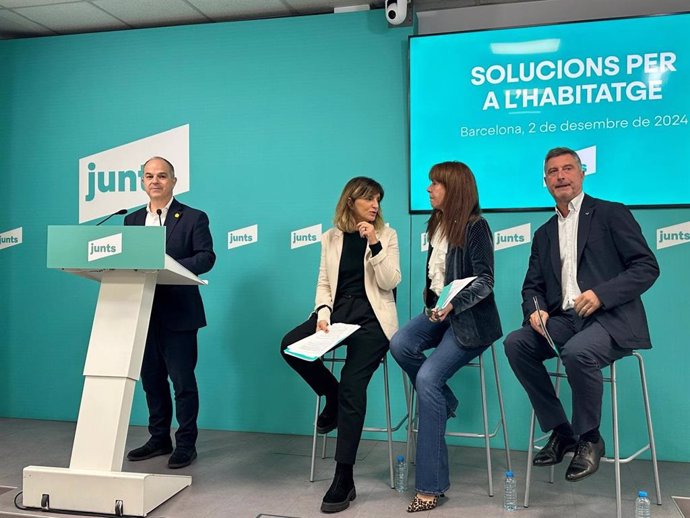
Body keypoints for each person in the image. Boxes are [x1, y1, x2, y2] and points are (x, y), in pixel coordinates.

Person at [504, 147, 659, 482]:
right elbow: (531, 286)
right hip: (564, 320)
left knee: (578, 351)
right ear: (545, 181)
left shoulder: (611, 213)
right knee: (516, 343)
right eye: (553, 172)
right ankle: (562, 432)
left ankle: (590, 437)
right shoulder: (544, 233)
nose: (561, 176)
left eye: (568, 169)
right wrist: (535, 310)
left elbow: (647, 267)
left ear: (581, 173)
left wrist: (602, 295)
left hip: (611, 319)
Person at [280, 177, 400, 514]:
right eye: (368, 199)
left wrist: (374, 244)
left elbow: (390, 281)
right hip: (337, 315)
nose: (375, 205)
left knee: (352, 385)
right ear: (351, 201)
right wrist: (323, 311)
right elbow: (323, 282)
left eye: (378, 199)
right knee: (290, 345)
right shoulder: (330, 238)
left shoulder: (387, 235)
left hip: (373, 320)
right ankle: (329, 395)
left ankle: (344, 476)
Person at [390, 161, 502, 513]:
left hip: (471, 322)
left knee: (427, 377)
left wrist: (453, 305)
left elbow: (485, 280)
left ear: (453, 189)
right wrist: (436, 307)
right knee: (400, 343)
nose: (428, 189)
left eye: (435, 184)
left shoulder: (476, 227)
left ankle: (430, 487)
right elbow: (436, 278)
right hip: (440, 314)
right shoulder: (437, 223)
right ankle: (447, 401)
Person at [124, 156, 216, 469]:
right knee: (151, 381)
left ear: (173, 181)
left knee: (183, 382)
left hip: (179, 313)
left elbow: (206, 257)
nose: (155, 181)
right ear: (142, 182)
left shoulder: (193, 217)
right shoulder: (132, 220)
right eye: (149, 176)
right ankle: (159, 438)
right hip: (143, 312)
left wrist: (168, 266)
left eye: (162, 176)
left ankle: (186, 444)